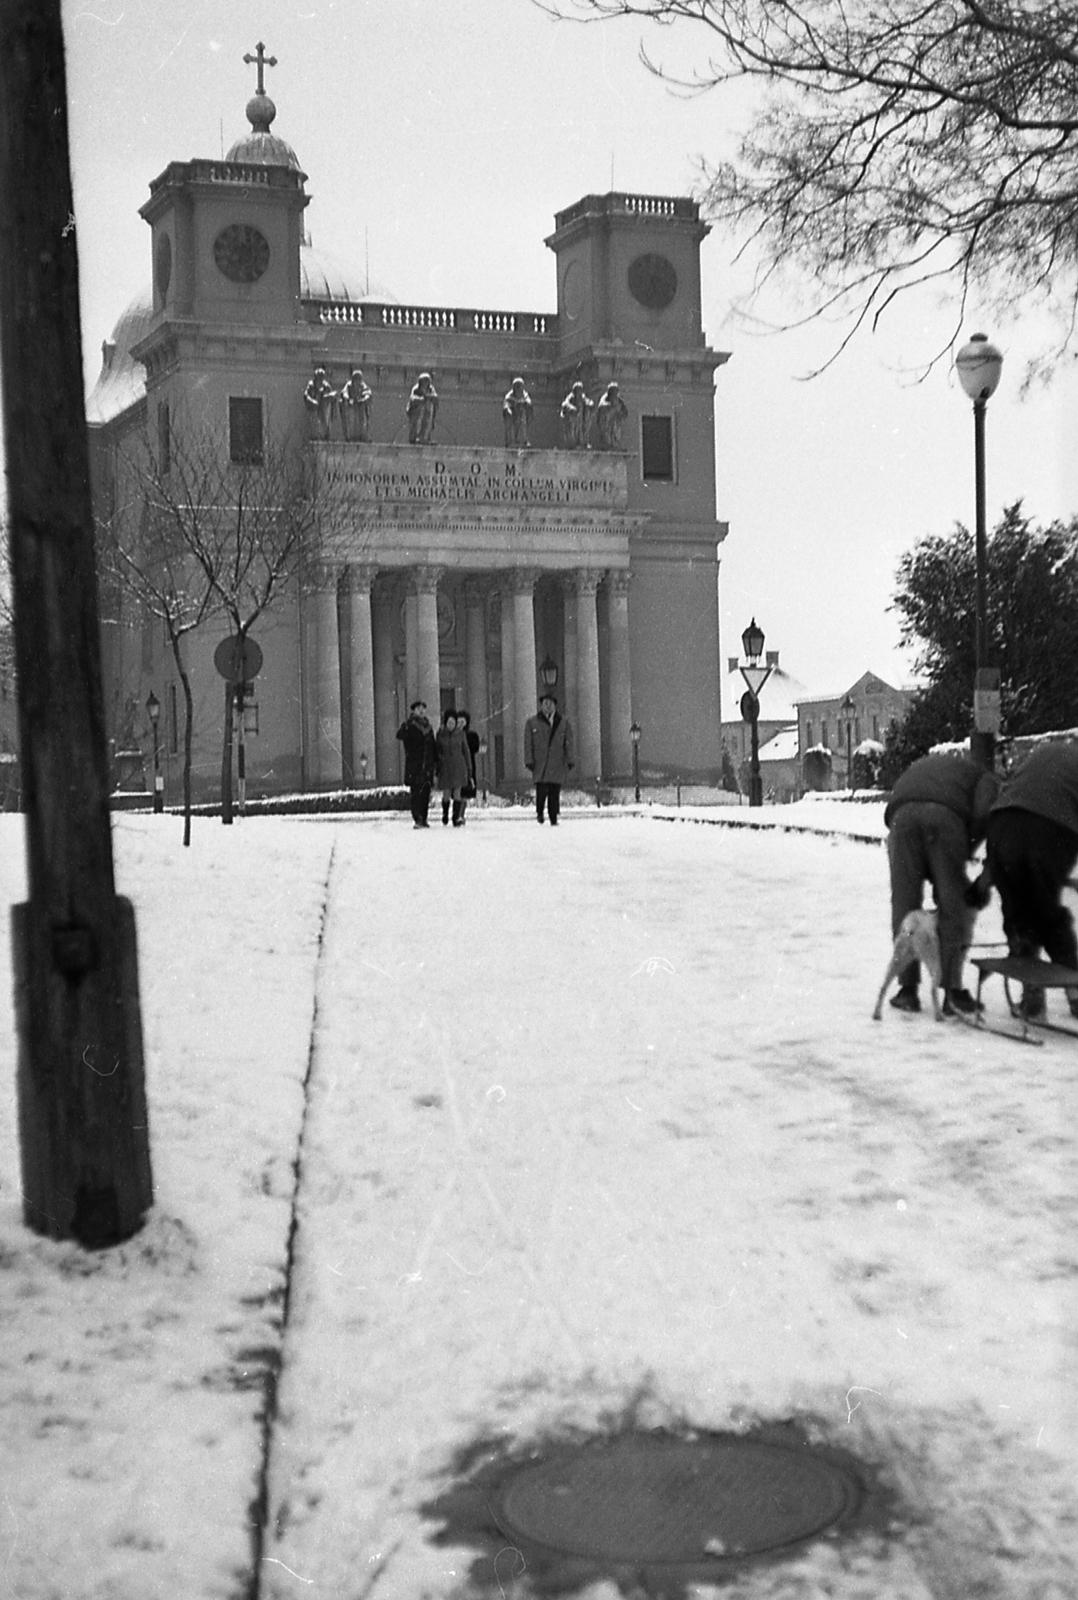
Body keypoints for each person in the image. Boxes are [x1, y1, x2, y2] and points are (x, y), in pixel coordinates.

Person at [882, 751, 998, 1014]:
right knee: (953, 902)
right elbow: (982, 814)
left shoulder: (932, 765)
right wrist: (961, 852)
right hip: (943, 817)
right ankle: (951, 990)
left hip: (900, 819)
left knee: (904, 903)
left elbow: (892, 807)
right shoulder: (987, 779)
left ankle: (907, 990)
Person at [985, 741, 1078, 1019]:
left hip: (1001, 824)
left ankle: (1032, 993)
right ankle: (1075, 993)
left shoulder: (1045, 751)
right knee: (1048, 913)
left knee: (1018, 912)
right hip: (1049, 828)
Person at [524, 692, 575, 826]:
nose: (547, 706)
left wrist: (570, 759)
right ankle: (540, 812)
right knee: (541, 791)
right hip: (540, 762)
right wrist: (529, 760)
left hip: (556, 762)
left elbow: (568, 742)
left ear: (555, 706)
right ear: (541, 706)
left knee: (554, 792)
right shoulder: (532, 722)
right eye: (545, 703)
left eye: (550, 703)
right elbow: (528, 743)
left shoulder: (563, 722)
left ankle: (553, 817)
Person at [396, 700, 437, 828]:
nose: (421, 710)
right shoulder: (409, 725)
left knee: (425, 792)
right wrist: (406, 726)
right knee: (416, 793)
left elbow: (432, 746)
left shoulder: (428, 727)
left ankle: (423, 818)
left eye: (423, 708)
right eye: (419, 708)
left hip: (427, 765)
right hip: (415, 764)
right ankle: (417, 818)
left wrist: (435, 762)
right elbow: (400, 735)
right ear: (413, 710)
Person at [435, 708, 472, 827]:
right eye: (449, 722)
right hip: (445, 767)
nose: (451, 725)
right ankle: (445, 813)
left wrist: (469, 768)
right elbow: (437, 751)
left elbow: (466, 752)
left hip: (458, 767)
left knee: (457, 793)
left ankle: (456, 817)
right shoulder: (440, 735)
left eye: (453, 722)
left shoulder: (461, 734)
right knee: (446, 794)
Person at [456, 708, 480, 824]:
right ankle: (457, 815)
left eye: (462, 722)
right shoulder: (453, 735)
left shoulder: (472, 735)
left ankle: (460, 815)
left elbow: (475, 748)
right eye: (458, 721)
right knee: (457, 792)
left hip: (469, 766)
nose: (460, 724)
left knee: (465, 792)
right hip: (456, 766)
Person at [339, 368, 372, 441]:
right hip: (351, 405)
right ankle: (350, 435)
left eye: (359, 379)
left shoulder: (363, 385)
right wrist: (347, 398)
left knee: (362, 419)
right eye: (356, 379)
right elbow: (344, 393)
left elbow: (367, 393)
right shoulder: (349, 385)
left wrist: (364, 399)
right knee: (351, 419)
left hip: (360, 406)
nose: (357, 381)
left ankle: (363, 435)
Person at [594, 381, 628, 450]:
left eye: (616, 391)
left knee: (615, 432)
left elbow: (625, 411)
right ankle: (607, 443)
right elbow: (601, 408)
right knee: (606, 436)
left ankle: (615, 443)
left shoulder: (619, 400)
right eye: (612, 391)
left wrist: (621, 414)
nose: (614, 394)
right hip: (606, 423)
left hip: (615, 422)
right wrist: (611, 408)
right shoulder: (604, 398)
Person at [406, 371, 438, 444]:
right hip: (417, 411)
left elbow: (435, 397)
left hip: (427, 411)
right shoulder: (416, 389)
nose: (425, 383)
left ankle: (425, 438)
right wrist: (422, 399)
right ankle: (415, 437)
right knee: (417, 424)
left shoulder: (430, 389)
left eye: (427, 381)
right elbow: (412, 398)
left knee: (427, 423)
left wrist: (429, 397)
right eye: (424, 381)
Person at [559, 381, 593, 449]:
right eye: (577, 391)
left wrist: (589, 404)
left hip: (581, 419)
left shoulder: (583, 397)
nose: (578, 393)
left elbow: (589, 402)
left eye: (580, 390)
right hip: (573, 418)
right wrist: (571, 408)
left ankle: (582, 441)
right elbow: (565, 404)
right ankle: (574, 441)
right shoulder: (570, 397)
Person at [502, 377, 533, 447]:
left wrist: (525, 403)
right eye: (518, 387)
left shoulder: (524, 394)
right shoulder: (509, 396)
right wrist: (508, 410)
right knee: (513, 426)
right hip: (513, 416)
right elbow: (506, 404)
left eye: (521, 387)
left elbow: (528, 402)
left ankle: (524, 440)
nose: (519, 389)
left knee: (523, 424)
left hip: (522, 414)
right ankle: (512, 440)